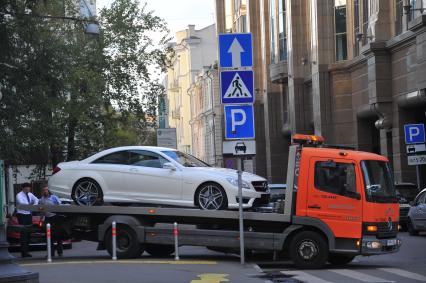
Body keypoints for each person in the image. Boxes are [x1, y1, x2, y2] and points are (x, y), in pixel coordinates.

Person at [39, 184, 64, 257]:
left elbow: (60, 206)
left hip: (55, 218)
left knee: (58, 235)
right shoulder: (41, 199)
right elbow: (41, 210)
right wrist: (41, 219)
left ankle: (60, 252)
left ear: (49, 190)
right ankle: (51, 253)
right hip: (47, 218)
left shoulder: (54, 197)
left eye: (46, 190)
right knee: (49, 237)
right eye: (44, 190)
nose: (45, 191)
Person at [15, 182, 39, 257]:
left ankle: (26, 251)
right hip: (22, 215)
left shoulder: (30, 194)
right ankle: (23, 252)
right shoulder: (19, 195)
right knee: (23, 234)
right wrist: (30, 205)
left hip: (28, 214)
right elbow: (23, 204)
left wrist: (33, 206)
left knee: (28, 233)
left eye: (29, 187)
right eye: (27, 187)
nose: (28, 189)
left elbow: (36, 200)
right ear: (23, 188)